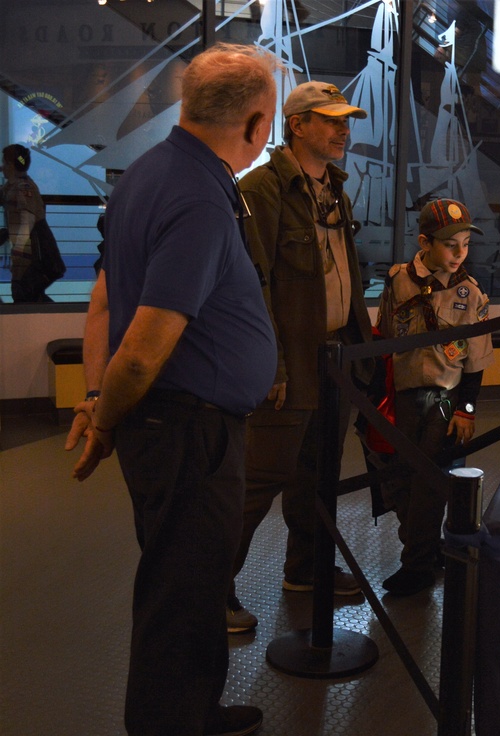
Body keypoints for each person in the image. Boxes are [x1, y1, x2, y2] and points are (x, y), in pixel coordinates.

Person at [64, 43, 280, 736]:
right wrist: (104, 418)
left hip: (171, 424)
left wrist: (99, 401)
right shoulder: (199, 199)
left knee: (184, 578)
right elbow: (143, 346)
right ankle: (171, 724)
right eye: (267, 121)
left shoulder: (146, 175)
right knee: (182, 590)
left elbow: (102, 304)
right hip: (190, 428)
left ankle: (191, 711)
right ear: (253, 124)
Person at [227, 81, 374, 633]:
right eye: (331, 120)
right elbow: (253, 287)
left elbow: (348, 278)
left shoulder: (334, 187)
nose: (343, 130)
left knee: (318, 475)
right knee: (259, 481)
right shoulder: (262, 191)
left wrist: (362, 354)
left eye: (345, 120)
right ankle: (211, 591)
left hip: (335, 359)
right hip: (289, 363)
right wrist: (274, 369)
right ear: (297, 125)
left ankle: (307, 569)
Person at [376, 198, 494, 596]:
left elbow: (475, 362)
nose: (460, 253)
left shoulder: (471, 294)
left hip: (446, 400)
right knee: (400, 479)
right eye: (450, 245)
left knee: (429, 481)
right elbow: (386, 339)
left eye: (466, 244)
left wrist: (467, 408)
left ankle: (417, 566)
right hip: (405, 397)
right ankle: (424, 549)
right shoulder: (399, 280)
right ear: (425, 242)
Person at [1, 143, 63, 302]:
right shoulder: (14, 186)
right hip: (27, 252)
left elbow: (27, 221)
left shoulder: (23, 188)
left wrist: (18, 252)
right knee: (29, 295)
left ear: (11, 165)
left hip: (30, 254)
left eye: (5, 163)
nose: (2, 167)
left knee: (22, 293)